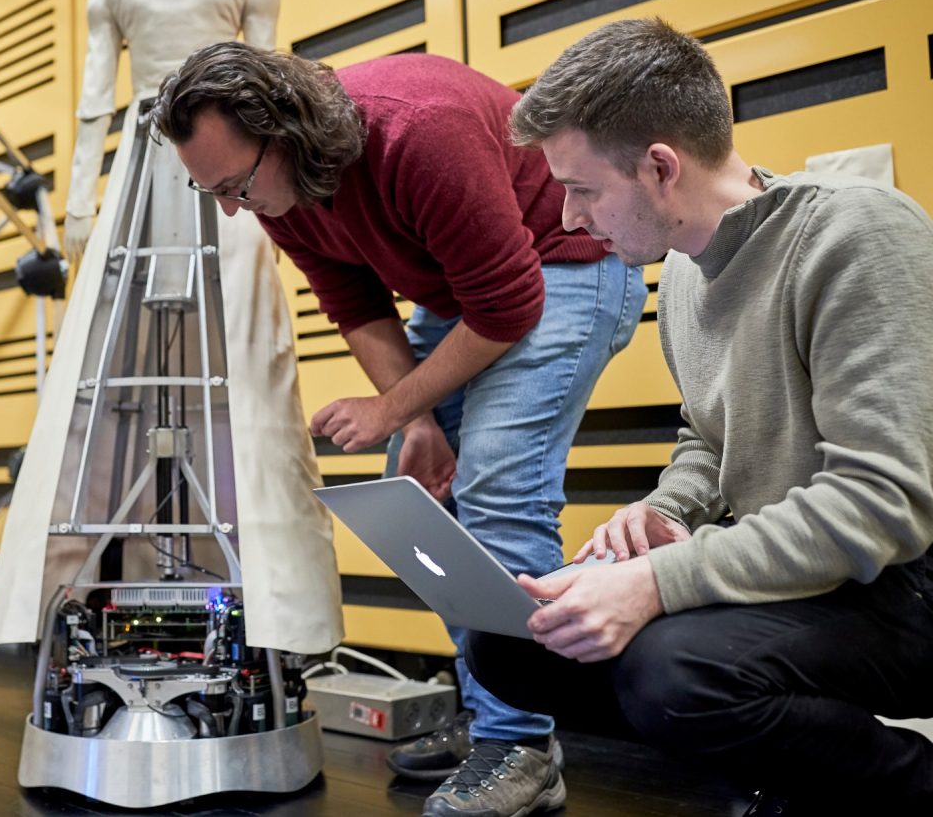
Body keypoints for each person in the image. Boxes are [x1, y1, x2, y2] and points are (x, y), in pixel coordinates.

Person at [151, 43, 647, 816]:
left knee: (497, 486)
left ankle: (519, 745)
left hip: (562, 264)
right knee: (423, 494)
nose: (230, 208)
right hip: (464, 290)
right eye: (210, 190)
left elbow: (510, 305)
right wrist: (413, 420)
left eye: (236, 185)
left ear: (285, 131)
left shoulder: (418, 132)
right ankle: (493, 711)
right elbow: (354, 301)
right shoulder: (279, 192)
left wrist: (386, 406)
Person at [463, 17, 933, 816]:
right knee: (511, 646)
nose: (571, 222)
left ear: (658, 168)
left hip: (901, 585)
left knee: (673, 674)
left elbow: (881, 503)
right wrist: (662, 513)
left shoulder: (858, 233)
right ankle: (797, 772)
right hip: (801, 574)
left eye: (581, 190)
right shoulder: (682, 272)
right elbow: (707, 436)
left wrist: (657, 582)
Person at [0, 0, 345, 657]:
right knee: (107, 375)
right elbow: (94, 102)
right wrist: (81, 200)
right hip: (144, 170)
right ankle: (83, 602)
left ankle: (280, 619)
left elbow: (275, 92)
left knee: (250, 376)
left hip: (229, 179)